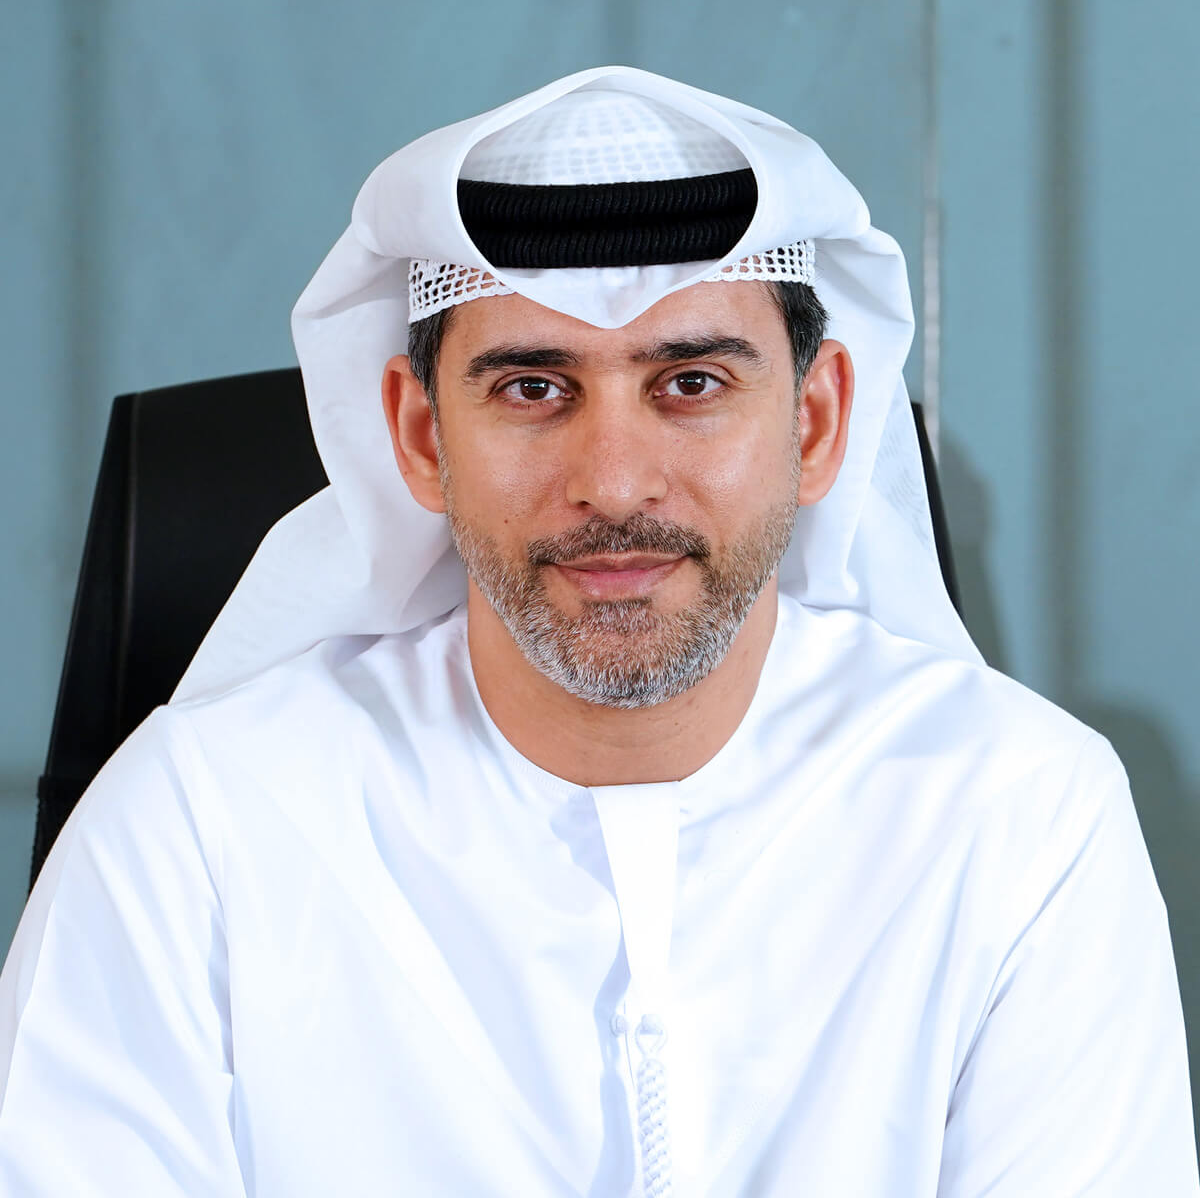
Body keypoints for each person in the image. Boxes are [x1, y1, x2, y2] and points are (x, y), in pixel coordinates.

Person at [0, 65, 1195, 1197]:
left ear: (819, 421)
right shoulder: (196, 827)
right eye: (534, 389)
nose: (614, 482)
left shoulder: (1020, 817)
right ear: (420, 436)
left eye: (692, 384)